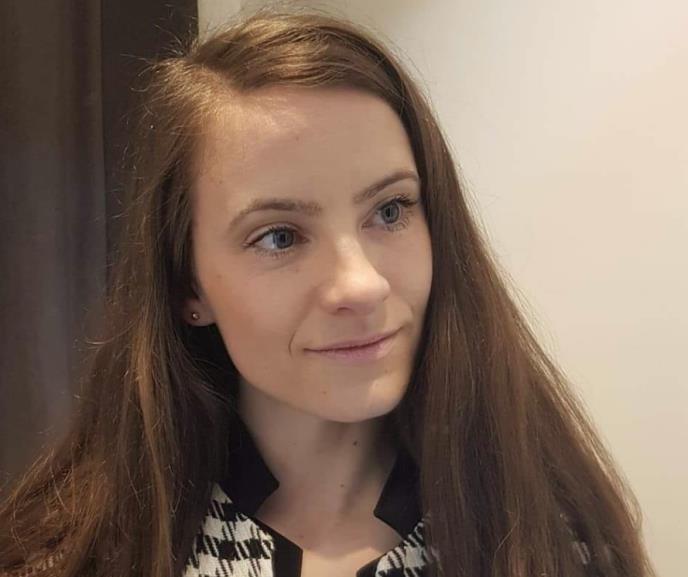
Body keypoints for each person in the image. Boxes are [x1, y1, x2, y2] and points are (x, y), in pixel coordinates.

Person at [0, 6, 656, 577]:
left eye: (390, 210)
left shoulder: (555, 547)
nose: (361, 283)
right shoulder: (71, 558)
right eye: (280, 236)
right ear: (186, 286)